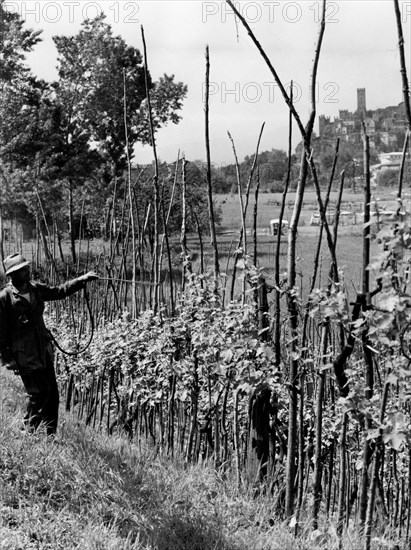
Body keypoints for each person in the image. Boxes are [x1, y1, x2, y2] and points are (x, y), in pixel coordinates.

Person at [0, 253, 98, 435]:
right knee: (39, 393)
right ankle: (27, 431)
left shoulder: (35, 289)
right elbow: (1, 333)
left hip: (43, 349)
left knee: (52, 394)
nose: (28, 271)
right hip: (23, 353)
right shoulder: (5, 298)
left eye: (27, 268)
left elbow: (59, 291)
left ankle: (50, 434)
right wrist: (7, 359)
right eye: (22, 270)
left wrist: (81, 280)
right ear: (12, 274)